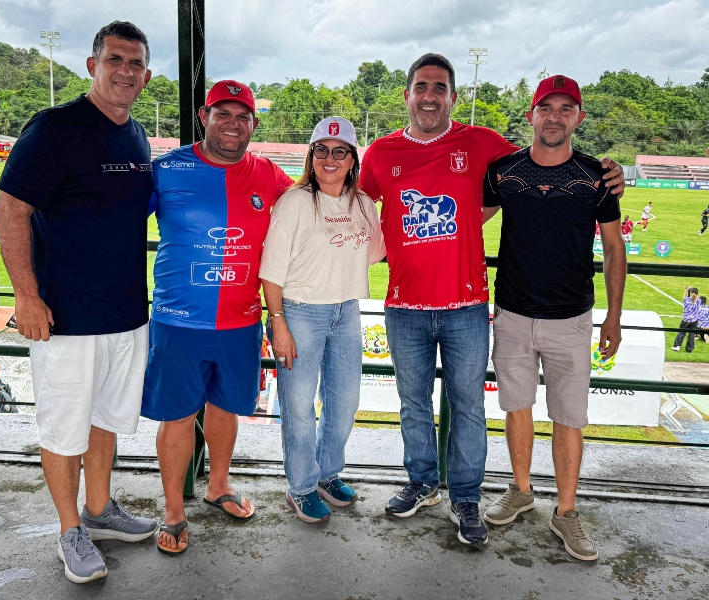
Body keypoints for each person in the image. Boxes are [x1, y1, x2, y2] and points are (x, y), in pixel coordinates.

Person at [358, 53, 625, 546]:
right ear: (407, 95)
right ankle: (422, 483)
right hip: (404, 304)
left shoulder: (481, 143)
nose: (430, 96)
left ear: (453, 96)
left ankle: (465, 496)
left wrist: (610, 169)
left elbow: (543, 154)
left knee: (468, 407)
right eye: (422, 87)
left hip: (466, 306)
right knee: (413, 404)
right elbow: (352, 201)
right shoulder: (380, 151)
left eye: (440, 87)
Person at [0, 21, 157, 584]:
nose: (125, 71)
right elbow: (10, 209)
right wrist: (26, 295)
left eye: (135, 63)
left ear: (146, 76)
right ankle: (70, 530)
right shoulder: (55, 127)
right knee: (64, 429)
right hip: (65, 316)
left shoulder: (137, 135)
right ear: (92, 66)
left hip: (126, 313)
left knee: (106, 419)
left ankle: (100, 508)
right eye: (115, 59)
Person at [143, 80, 293, 555]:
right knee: (177, 415)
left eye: (242, 116)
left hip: (241, 322)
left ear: (253, 124)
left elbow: (312, 215)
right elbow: (112, 224)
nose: (233, 124)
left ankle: (218, 485)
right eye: (222, 113)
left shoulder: (269, 174)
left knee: (226, 407)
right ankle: (173, 511)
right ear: (203, 116)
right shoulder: (167, 169)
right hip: (178, 322)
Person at [482, 75, 626, 562]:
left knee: (568, 417)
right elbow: (465, 221)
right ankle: (521, 490)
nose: (555, 117)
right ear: (531, 115)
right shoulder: (504, 172)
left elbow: (613, 247)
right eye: (547, 108)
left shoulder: (597, 176)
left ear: (578, 118)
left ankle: (566, 511)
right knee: (516, 407)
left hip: (572, 318)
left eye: (566, 109)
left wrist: (614, 317)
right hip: (513, 313)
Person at [260, 117, 386, 523]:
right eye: (321, 150)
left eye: (340, 151)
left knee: (344, 403)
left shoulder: (363, 204)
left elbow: (374, 253)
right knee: (298, 406)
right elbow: (270, 271)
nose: (330, 159)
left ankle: (328, 474)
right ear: (311, 156)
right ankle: (300, 486)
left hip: (346, 311)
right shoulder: (294, 201)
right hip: (299, 312)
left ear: (352, 160)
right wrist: (278, 322)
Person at [672, 287, 701, 353]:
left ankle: (677, 346)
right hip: (694, 320)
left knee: (681, 332)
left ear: (690, 293)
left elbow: (684, 296)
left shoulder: (686, 300)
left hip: (685, 320)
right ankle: (689, 349)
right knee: (691, 334)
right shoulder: (699, 300)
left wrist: (686, 290)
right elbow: (696, 297)